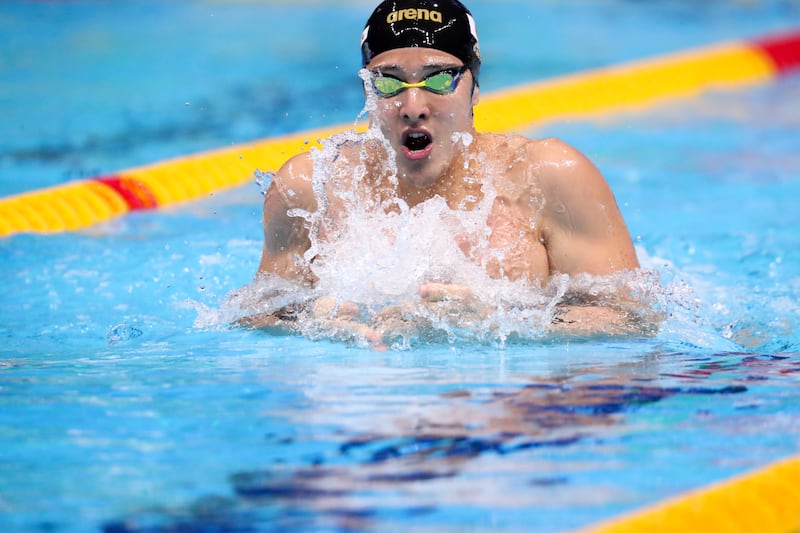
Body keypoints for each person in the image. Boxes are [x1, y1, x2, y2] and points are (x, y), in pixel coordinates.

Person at [245, 0, 645, 347]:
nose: (413, 105)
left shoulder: (547, 176)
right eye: (389, 83)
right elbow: (252, 313)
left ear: (474, 87)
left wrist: (498, 322)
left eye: (438, 79)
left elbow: (635, 319)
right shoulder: (313, 187)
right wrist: (305, 321)